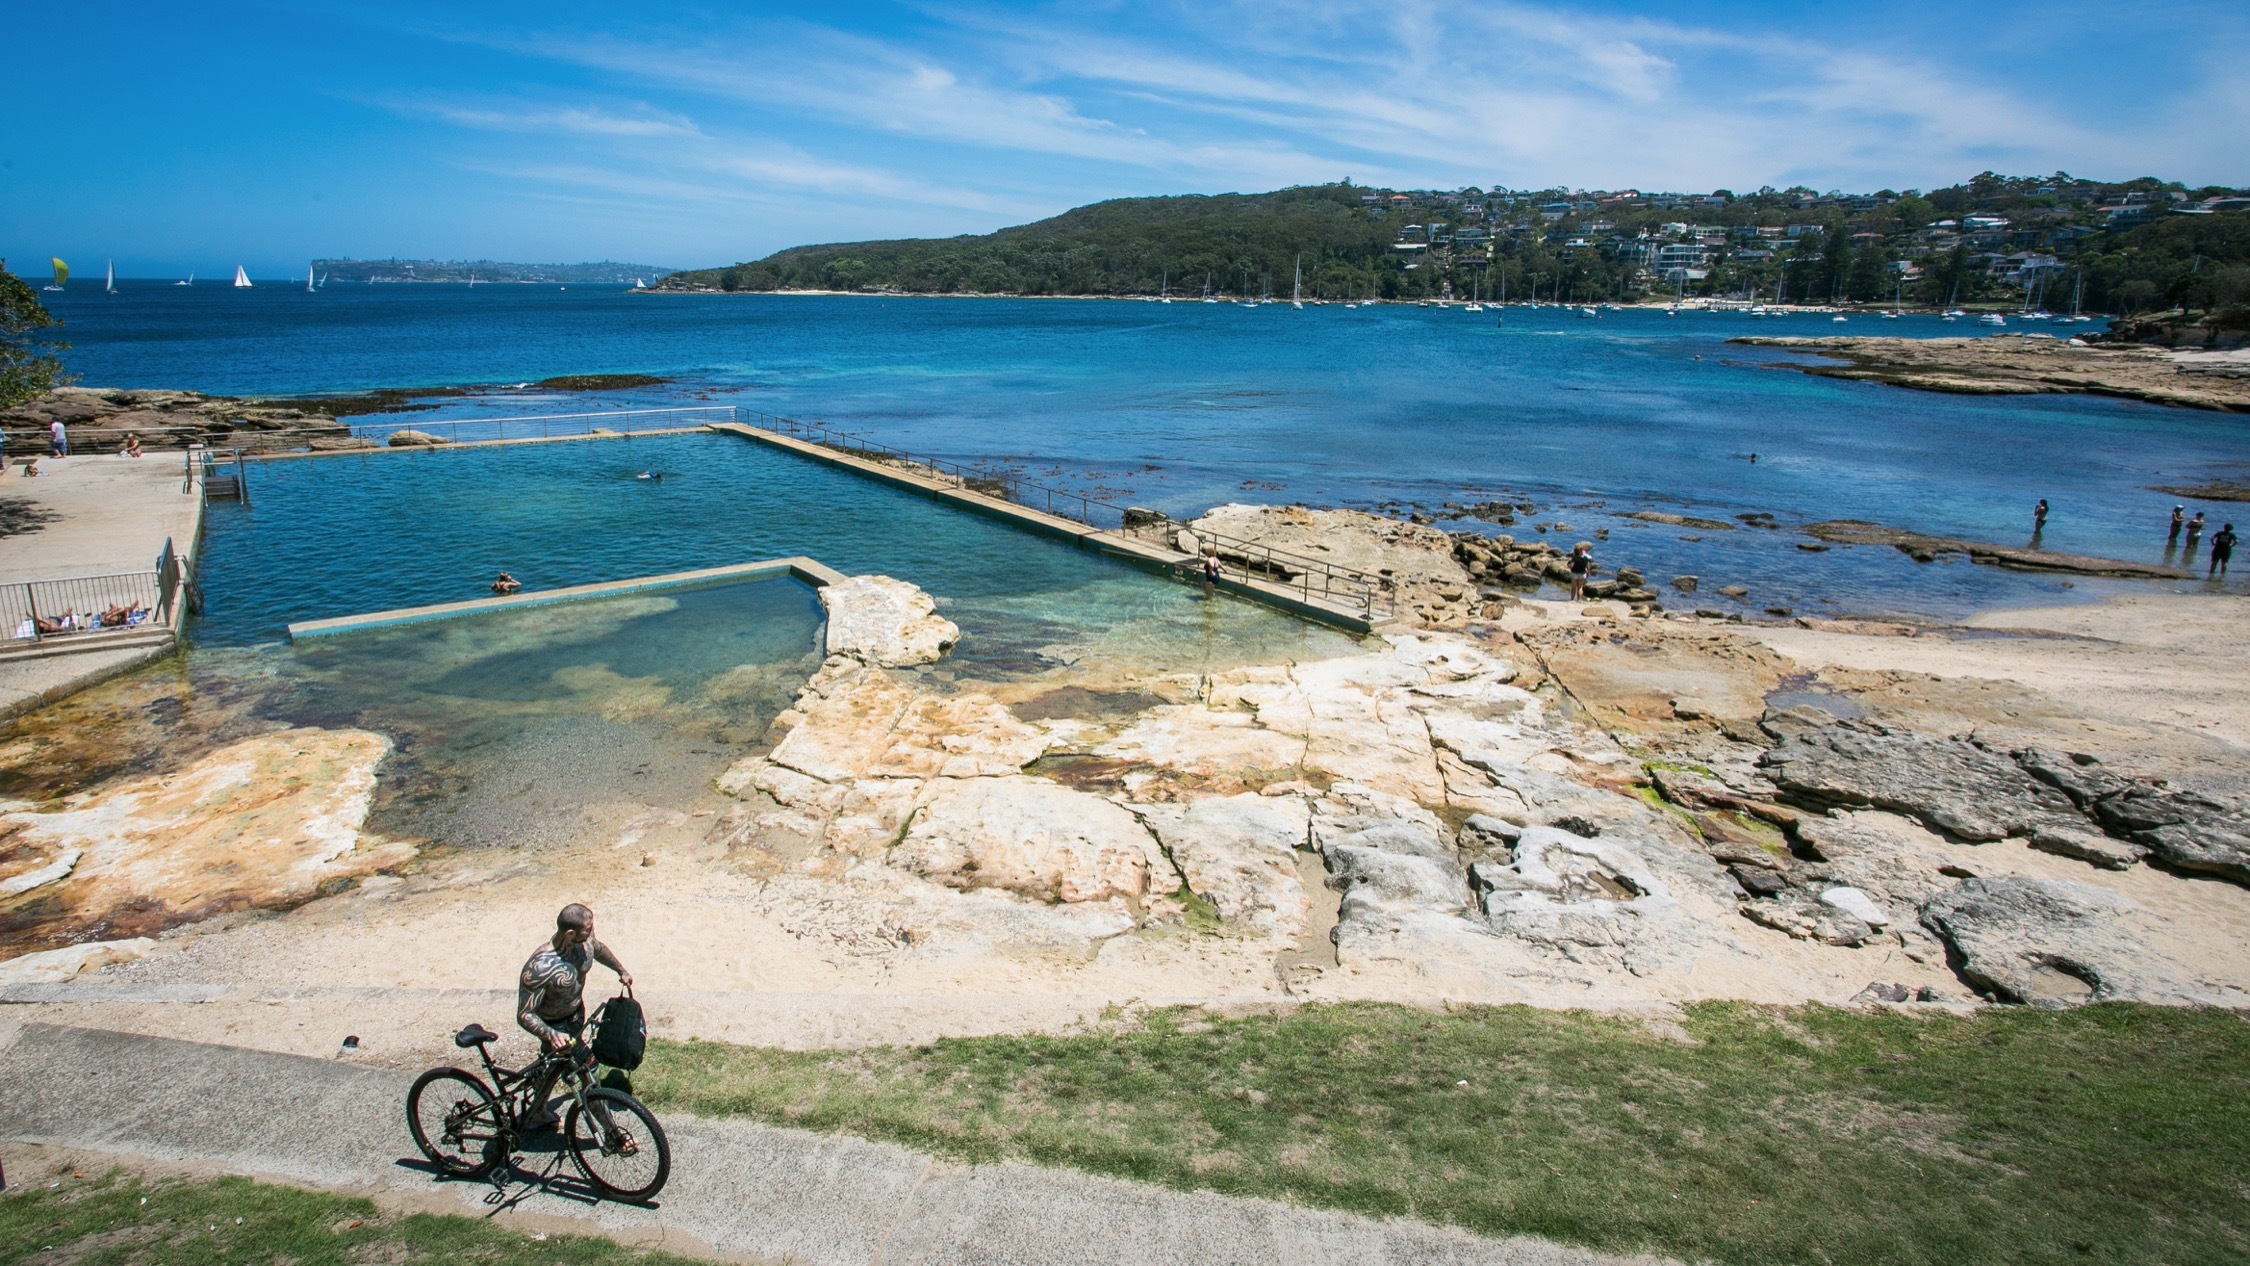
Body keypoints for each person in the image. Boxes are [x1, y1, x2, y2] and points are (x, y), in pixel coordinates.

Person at [517, 903, 633, 1129]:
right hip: (555, 1026)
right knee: (589, 1071)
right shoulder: (540, 967)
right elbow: (524, 1015)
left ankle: (535, 1113)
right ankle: (612, 1135)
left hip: (577, 1014)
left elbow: (598, 949)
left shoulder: (586, 941)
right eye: (588, 929)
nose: (592, 931)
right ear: (570, 933)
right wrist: (551, 1035)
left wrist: (621, 970)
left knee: (554, 1066)